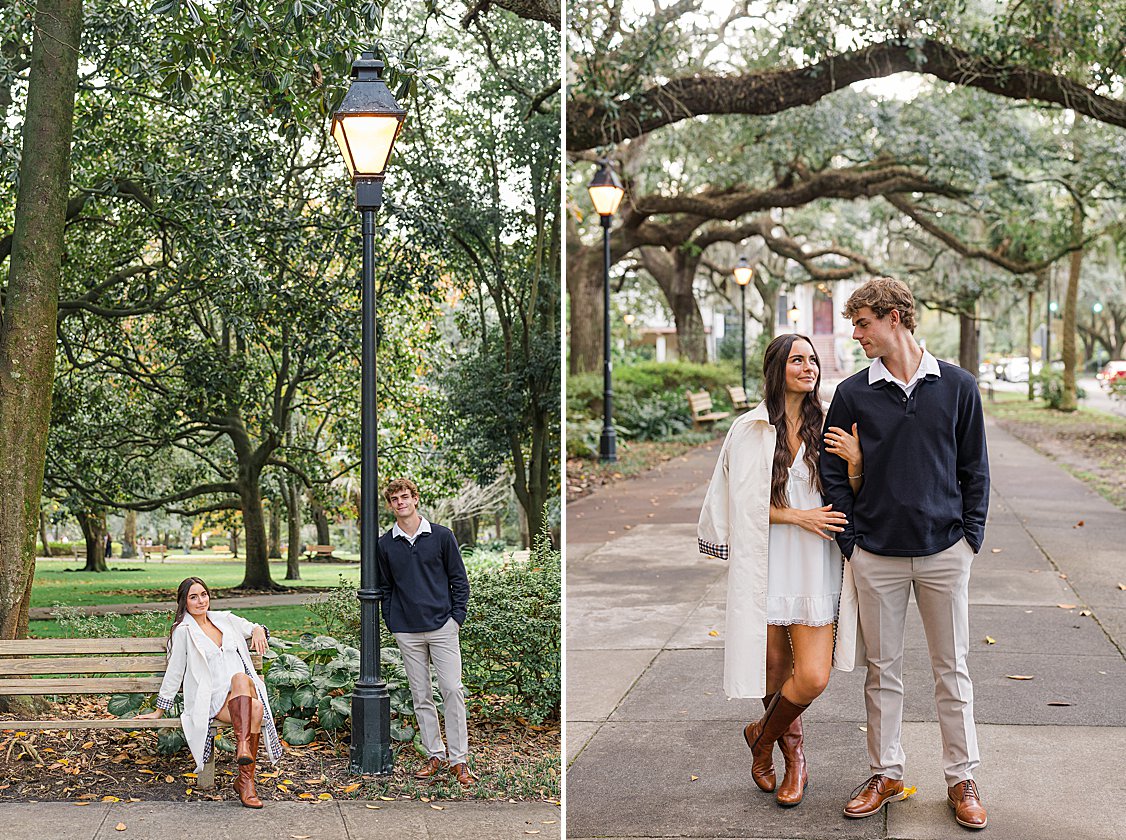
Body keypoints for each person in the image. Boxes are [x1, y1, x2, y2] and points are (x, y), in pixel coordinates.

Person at [819, 277, 989, 829]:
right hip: (877, 555)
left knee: (952, 669)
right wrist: (853, 544)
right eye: (854, 325)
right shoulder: (852, 394)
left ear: (895, 318)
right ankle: (885, 771)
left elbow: (974, 472)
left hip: (945, 551)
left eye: (864, 323)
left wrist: (970, 540)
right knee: (881, 672)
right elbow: (832, 477)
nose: (857, 334)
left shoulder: (958, 386)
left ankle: (961, 777)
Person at [698, 333, 863, 807]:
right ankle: (795, 763)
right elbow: (739, 500)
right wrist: (797, 515)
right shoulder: (748, 430)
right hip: (767, 561)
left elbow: (854, 493)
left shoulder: (832, 422)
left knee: (812, 676)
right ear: (777, 368)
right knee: (773, 670)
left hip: (816, 562)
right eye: (797, 359)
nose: (808, 367)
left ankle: (761, 735)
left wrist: (857, 463)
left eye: (812, 359)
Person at [135, 577, 281, 808]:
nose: (201, 601)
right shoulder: (183, 632)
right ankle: (245, 781)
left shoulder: (225, 620)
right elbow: (174, 672)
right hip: (214, 701)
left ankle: (243, 758)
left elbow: (251, 626)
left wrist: (258, 630)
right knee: (256, 708)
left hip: (241, 690)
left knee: (241, 678)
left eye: (203, 594)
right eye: (193, 597)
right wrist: (159, 710)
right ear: (184, 602)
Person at [377, 478, 474, 786]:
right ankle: (435, 755)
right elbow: (385, 587)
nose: (400, 502)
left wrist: (455, 618)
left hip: (443, 627)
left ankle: (459, 760)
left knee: (452, 690)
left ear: (415, 499)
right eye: (394, 499)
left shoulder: (441, 536)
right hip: (407, 631)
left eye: (405, 497)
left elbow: (459, 580)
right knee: (421, 696)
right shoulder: (385, 543)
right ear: (390, 505)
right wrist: (393, 623)